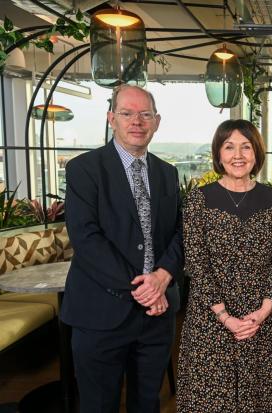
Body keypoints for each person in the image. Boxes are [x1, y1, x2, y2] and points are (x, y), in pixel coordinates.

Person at [61, 84, 184, 412]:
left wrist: (162, 277)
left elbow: (180, 233)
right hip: (101, 312)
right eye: (127, 113)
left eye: (145, 114)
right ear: (111, 118)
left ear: (156, 121)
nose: (137, 122)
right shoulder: (83, 169)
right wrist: (144, 289)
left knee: (147, 403)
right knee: (99, 405)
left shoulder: (168, 174)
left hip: (156, 317)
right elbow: (86, 238)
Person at [177, 119, 272, 412]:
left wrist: (264, 311)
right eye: (229, 147)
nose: (237, 155)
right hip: (211, 318)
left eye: (246, 146)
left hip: (261, 318)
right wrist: (225, 316)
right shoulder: (197, 201)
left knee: (263, 397)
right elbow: (196, 263)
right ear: (218, 153)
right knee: (212, 401)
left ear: (256, 153)